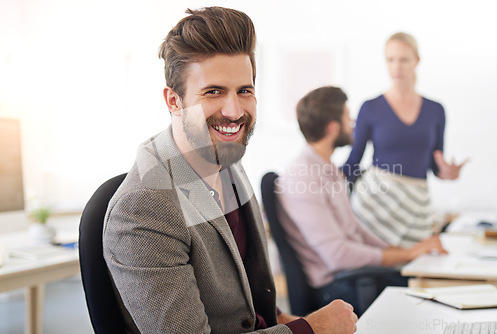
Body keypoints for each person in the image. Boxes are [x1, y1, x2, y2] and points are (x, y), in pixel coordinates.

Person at [102, 7, 357, 334]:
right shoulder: (143, 209)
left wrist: (293, 321)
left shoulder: (223, 159)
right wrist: (309, 330)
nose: (234, 112)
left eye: (244, 91)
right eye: (213, 92)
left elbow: (244, 295)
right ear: (174, 101)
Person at [276, 86, 447, 313]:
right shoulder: (302, 175)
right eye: (348, 117)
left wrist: (401, 252)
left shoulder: (329, 170)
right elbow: (337, 255)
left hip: (354, 278)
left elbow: (356, 229)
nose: (353, 123)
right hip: (339, 288)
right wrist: (406, 254)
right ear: (333, 128)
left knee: (429, 279)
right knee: (432, 296)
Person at [341, 32, 468, 248]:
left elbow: (434, 165)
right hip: (375, 202)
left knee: (411, 266)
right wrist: (318, 176)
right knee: (375, 268)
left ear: (416, 61)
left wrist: (447, 173)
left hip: (416, 204)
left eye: (403, 59)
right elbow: (354, 162)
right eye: (390, 59)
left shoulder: (435, 111)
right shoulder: (370, 108)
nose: (396, 67)